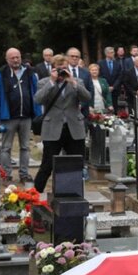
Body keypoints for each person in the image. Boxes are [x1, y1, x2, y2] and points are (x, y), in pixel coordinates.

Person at [33, 55, 91, 193]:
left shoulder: (77, 81)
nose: (62, 72)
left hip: (74, 128)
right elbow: (38, 99)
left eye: (64, 68)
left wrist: (72, 82)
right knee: (47, 165)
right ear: (52, 69)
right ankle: (34, 195)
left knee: (76, 164)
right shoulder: (44, 82)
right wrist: (52, 82)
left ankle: (74, 194)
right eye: (59, 69)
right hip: (53, 128)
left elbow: (87, 97)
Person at [0, 48, 42, 183]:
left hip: (26, 116)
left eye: (17, 57)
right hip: (8, 117)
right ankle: (6, 174)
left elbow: (36, 93)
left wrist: (38, 113)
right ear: (7, 59)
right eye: (12, 58)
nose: (15, 60)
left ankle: (24, 174)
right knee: (6, 147)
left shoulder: (30, 72)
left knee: (25, 147)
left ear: (21, 57)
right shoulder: (1, 73)